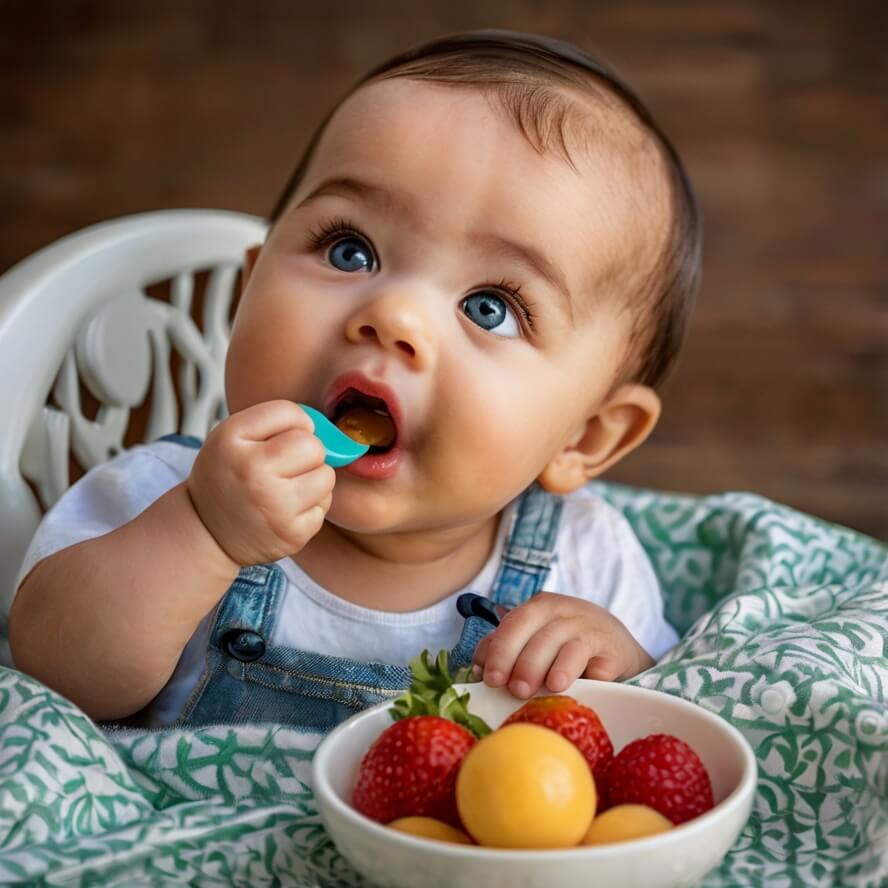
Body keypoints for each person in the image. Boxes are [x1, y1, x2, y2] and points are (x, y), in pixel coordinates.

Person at [9, 29, 701, 732]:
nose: (393, 314)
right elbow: (55, 682)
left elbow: (658, 745)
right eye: (350, 249)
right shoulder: (163, 493)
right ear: (248, 291)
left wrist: (621, 669)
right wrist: (199, 533)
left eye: (488, 308)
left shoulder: (584, 560)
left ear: (583, 434)